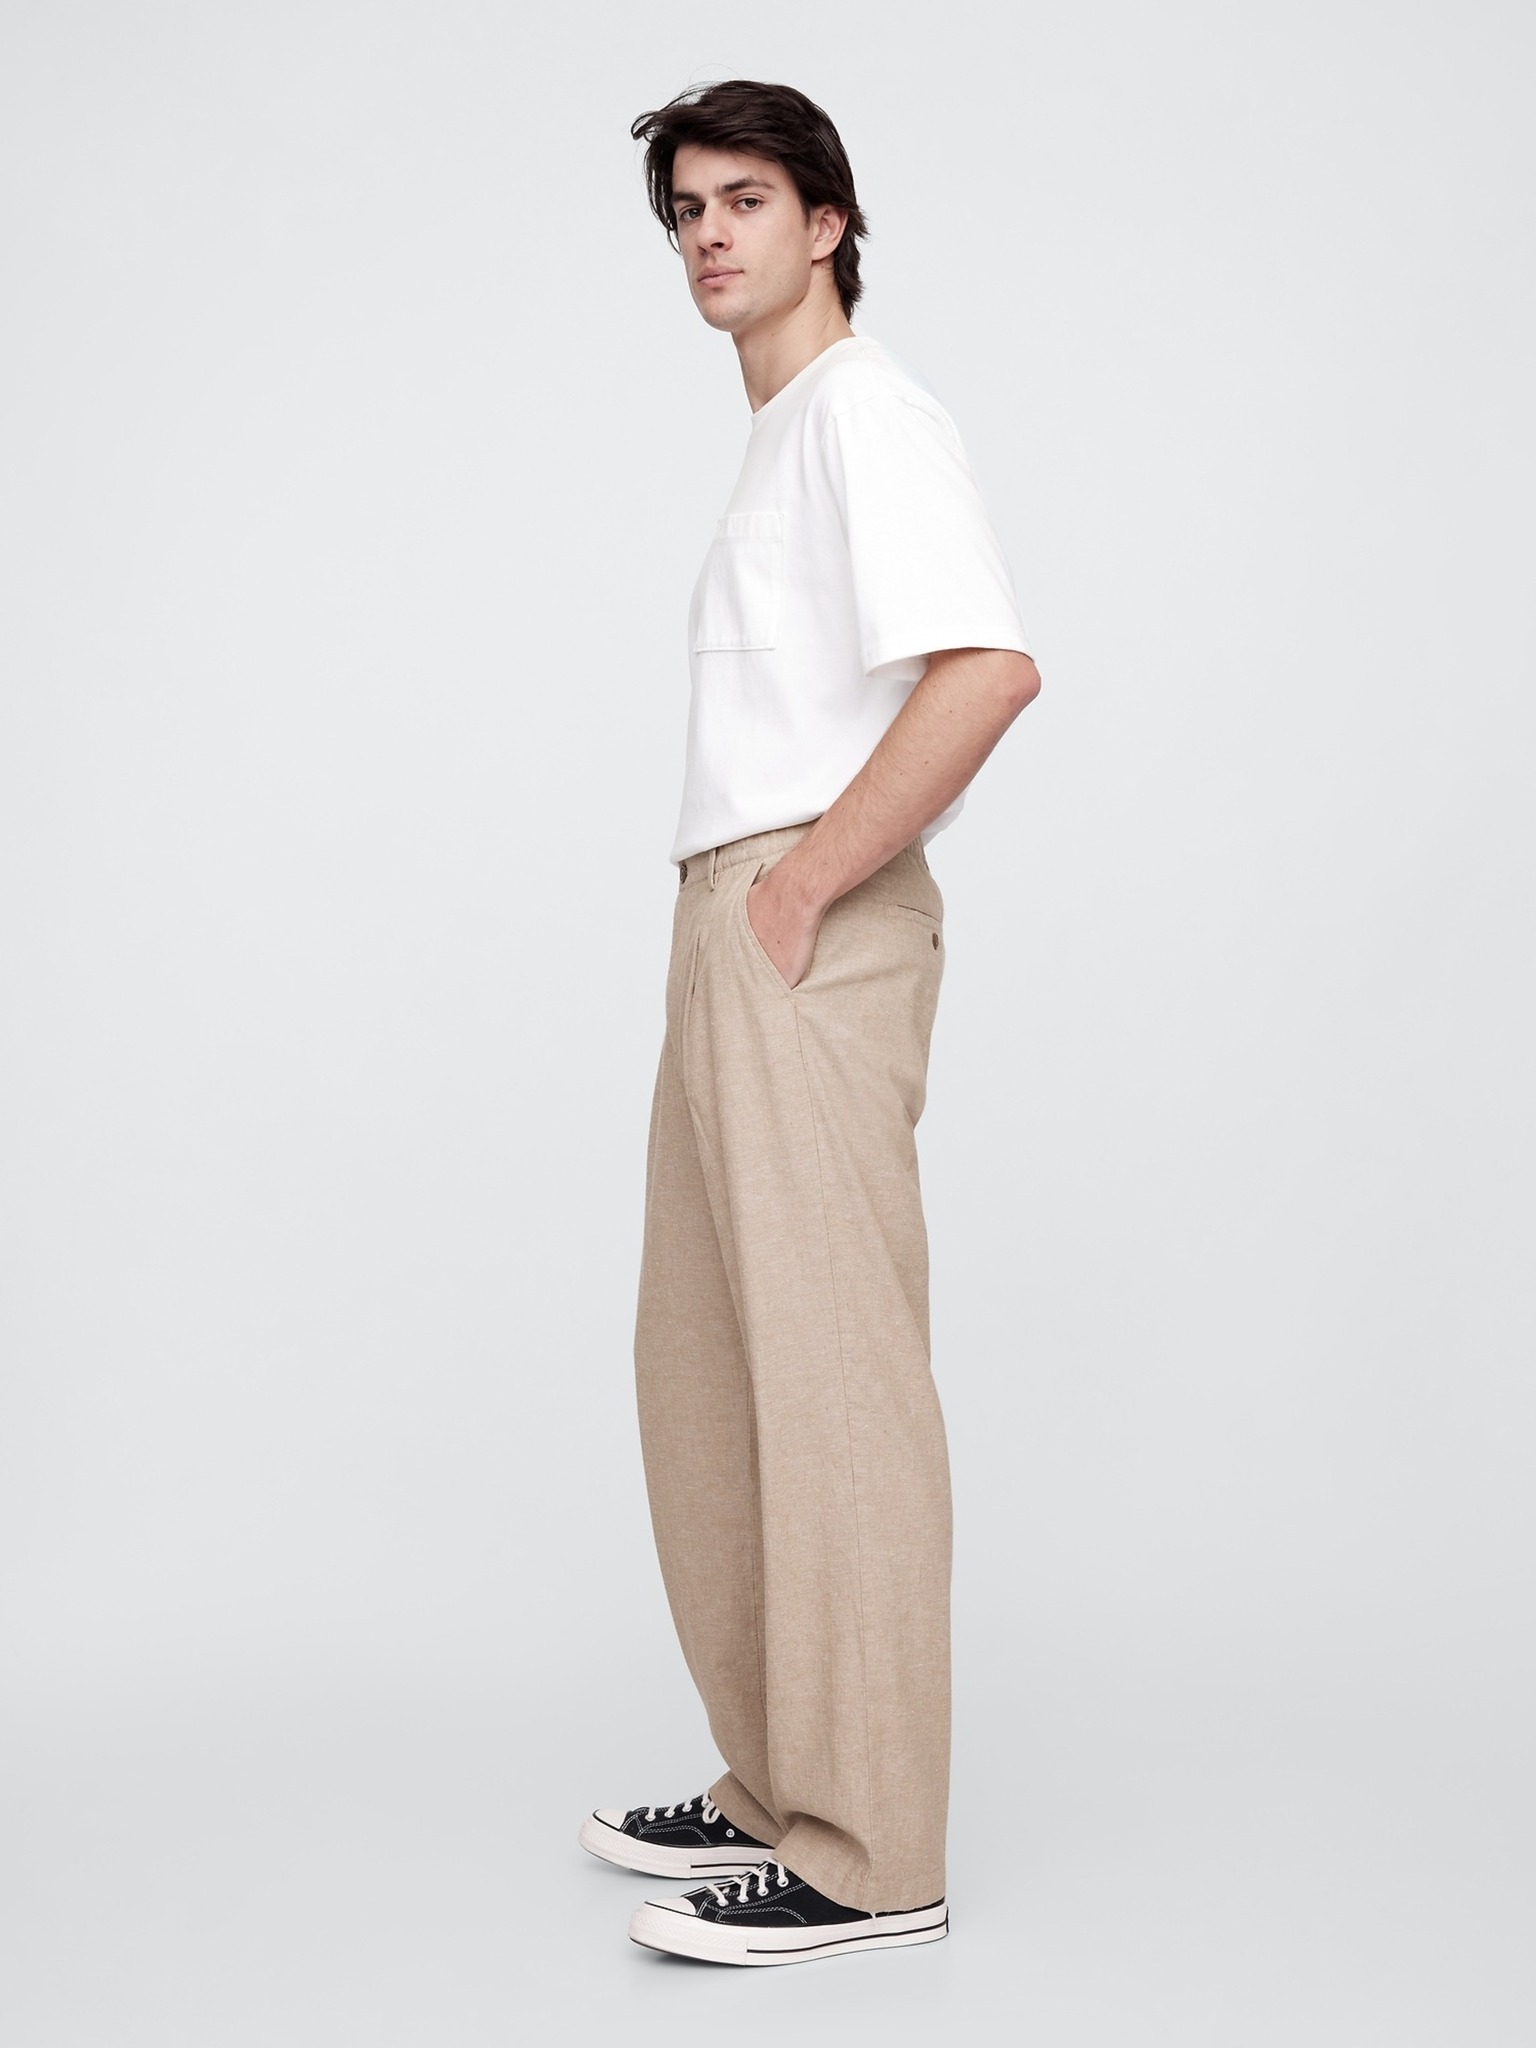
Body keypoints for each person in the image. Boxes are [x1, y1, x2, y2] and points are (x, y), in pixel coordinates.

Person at [577, 78, 1040, 1968]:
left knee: (834, 1377)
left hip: (802, 921)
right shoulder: (781, 439)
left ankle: (869, 1853)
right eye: (686, 208)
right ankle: (781, 1781)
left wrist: (800, 888)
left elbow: (988, 669)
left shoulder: (864, 412)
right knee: (708, 1371)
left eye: (745, 200)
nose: (708, 233)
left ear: (827, 222)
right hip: (731, 915)